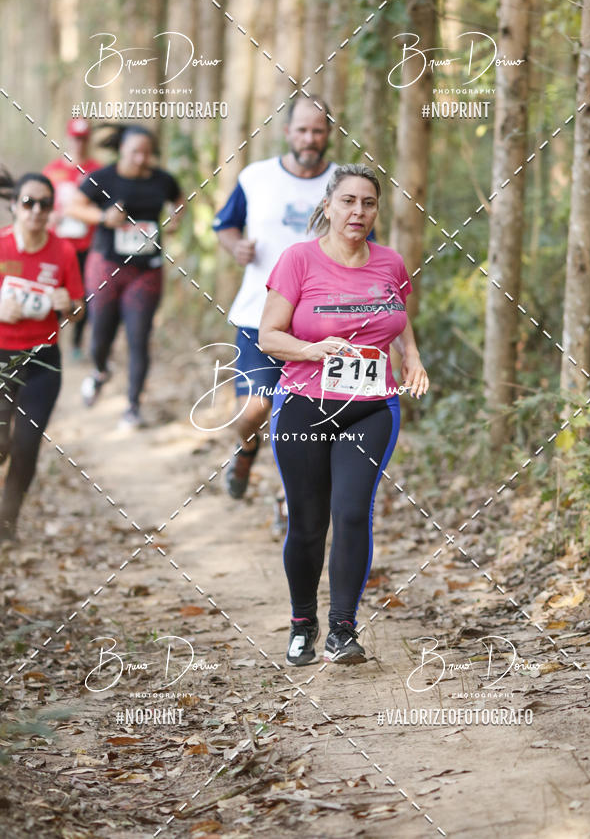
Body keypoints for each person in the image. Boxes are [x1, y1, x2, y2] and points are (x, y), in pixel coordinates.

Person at [259, 164, 429, 666]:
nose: (359, 212)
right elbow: (270, 336)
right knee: (309, 522)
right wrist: (316, 351)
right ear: (329, 205)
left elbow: (398, 319)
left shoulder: (391, 263)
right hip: (304, 406)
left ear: (377, 210)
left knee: (353, 512)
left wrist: (412, 357)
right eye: (349, 201)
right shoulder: (299, 260)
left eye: (369, 203)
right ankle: (302, 623)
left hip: (372, 408)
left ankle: (343, 629)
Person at [213, 95, 337, 503]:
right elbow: (225, 225)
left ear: (329, 134)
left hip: (319, 323)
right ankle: (247, 449)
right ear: (287, 132)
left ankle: (291, 499)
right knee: (253, 411)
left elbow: (364, 246)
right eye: (302, 129)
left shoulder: (343, 183)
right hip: (258, 316)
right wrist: (237, 249)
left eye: (318, 130)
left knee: (306, 420)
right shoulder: (256, 177)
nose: (309, 138)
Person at [66, 125, 183, 429]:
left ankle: (132, 407)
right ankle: (101, 370)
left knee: (139, 338)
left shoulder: (162, 179)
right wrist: (103, 217)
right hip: (106, 265)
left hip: (146, 270)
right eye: (135, 152)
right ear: (122, 150)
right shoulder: (103, 178)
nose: (141, 158)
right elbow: (74, 207)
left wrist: (174, 220)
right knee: (100, 335)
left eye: (147, 152)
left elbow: (179, 200)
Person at [0, 170, 84, 542]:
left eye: (44, 204)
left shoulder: (63, 251)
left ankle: (7, 521)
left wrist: (71, 307)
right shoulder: (1, 246)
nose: (36, 211)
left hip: (42, 361)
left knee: (26, 447)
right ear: (15, 206)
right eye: (28, 202)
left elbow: (80, 308)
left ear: (52, 210)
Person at [43, 118, 101, 359]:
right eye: (75, 138)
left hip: (89, 245)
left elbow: (104, 207)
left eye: (84, 139)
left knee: (85, 294)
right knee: (55, 293)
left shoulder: (97, 171)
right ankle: (48, 341)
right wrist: (51, 216)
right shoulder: (52, 170)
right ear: (68, 139)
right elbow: (41, 202)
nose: (79, 144)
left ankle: (77, 342)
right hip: (58, 245)